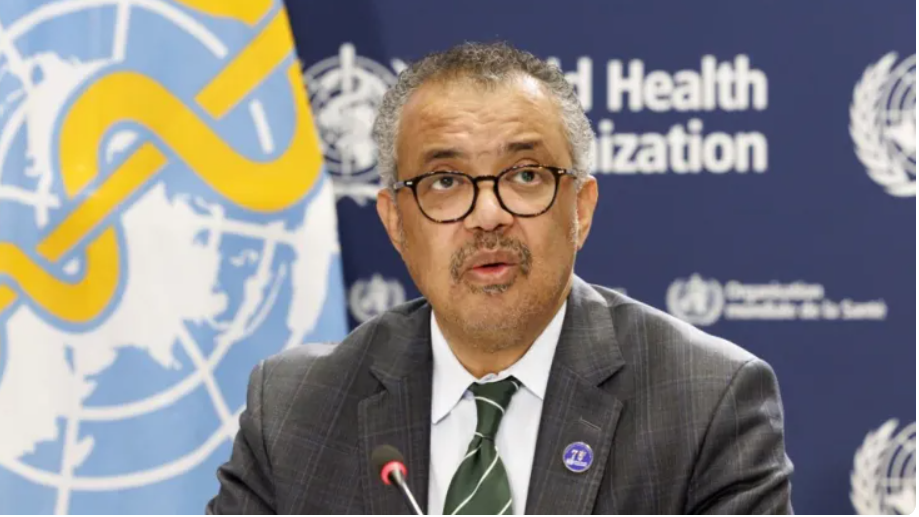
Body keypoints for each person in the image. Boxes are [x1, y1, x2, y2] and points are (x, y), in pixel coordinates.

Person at [207, 42, 793, 515]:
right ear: (395, 223)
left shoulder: (704, 401)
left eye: (525, 175)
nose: (488, 215)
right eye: (444, 182)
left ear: (581, 207)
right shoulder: (296, 409)